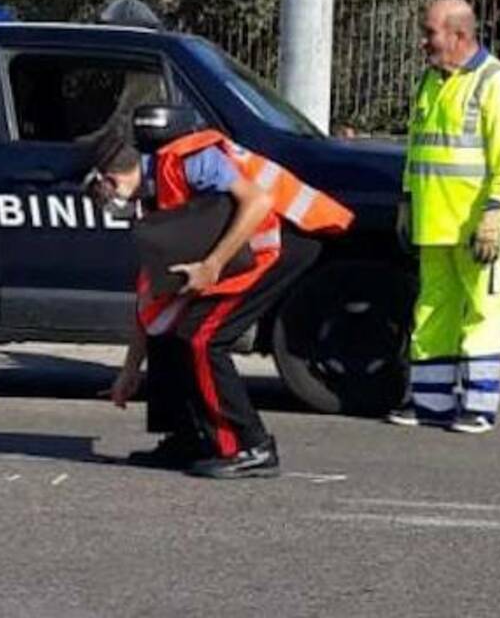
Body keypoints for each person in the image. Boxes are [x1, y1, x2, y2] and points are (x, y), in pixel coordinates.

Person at [89, 126, 353, 478]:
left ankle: (249, 446)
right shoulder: (152, 198)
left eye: (102, 193)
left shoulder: (189, 162)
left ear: (112, 178)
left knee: (204, 338)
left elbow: (259, 202)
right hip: (246, 249)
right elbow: (152, 297)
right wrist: (129, 369)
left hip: (282, 241)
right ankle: (190, 438)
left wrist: (211, 266)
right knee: (171, 331)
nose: (108, 203)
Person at [388, 0, 500, 434]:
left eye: (430, 33)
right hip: (435, 223)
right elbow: (419, 150)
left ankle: (477, 406)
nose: (423, 42)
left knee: (482, 312)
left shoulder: (496, 85)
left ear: (459, 35)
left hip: (479, 226)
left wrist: (494, 214)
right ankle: (429, 403)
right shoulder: (431, 82)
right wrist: (408, 202)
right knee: (434, 310)